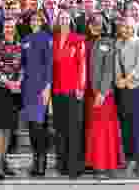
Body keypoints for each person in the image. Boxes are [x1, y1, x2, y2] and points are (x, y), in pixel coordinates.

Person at [84, 12, 122, 179]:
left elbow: (109, 69)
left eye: (98, 23)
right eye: (92, 22)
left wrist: (103, 91)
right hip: (88, 94)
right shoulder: (84, 43)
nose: (95, 25)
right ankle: (97, 165)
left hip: (103, 94)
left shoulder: (108, 43)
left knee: (106, 130)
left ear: (104, 25)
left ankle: (110, 166)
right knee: (94, 131)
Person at [115, 16, 139, 178]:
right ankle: (131, 160)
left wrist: (128, 79)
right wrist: (119, 80)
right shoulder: (118, 44)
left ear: (135, 27)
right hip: (124, 90)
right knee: (127, 127)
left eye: (130, 26)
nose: (127, 29)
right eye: (125, 26)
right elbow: (116, 64)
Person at [51, 10, 87, 180]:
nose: (64, 20)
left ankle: (75, 166)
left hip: (74, 91)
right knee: (60, 129)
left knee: (74, 129)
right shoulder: (54, 39)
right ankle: (62, 165)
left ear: (71, 20)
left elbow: (82, 64)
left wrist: (80, 86)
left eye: (66, 17)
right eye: (61, 17)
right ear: (58, 21)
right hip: (57, 91)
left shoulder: (78, 39)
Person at [0, 16, 24, 180]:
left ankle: (4, 161)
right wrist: (9, 83)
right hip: (1, 90)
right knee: (0, 128)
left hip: (15, 92)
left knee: (9, 127)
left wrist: (18, 82)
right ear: (3, 29)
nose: (9, 29)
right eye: (7, 27)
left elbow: (23, 66)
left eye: (12, 26)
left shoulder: (19, 46)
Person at [20, 9, 53, 176]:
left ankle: (42, 161)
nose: (34, 22)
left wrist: (48, 86)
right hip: (27, 88)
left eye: (37, 20)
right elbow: (22, 64)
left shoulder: (47, 39)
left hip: (41, 87)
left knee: (40, 125)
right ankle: (35, 158)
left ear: (42, 22)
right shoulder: (25, 39)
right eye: (32, 20)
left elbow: (49, 64)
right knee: (32, 126)